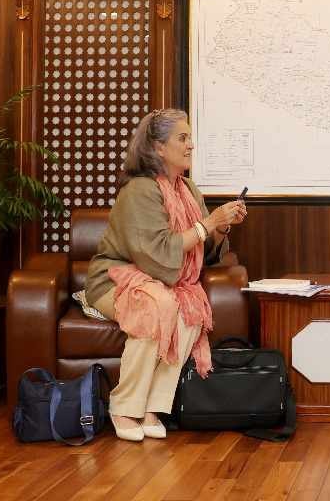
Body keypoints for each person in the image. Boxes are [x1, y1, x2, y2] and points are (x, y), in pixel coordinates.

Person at [85, 108, 247, 441]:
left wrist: (221, 226)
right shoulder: (139, 190)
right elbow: (155, 255)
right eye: (182, 138)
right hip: (116, 278)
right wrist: (209, 223)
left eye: (190, 138)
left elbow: (205, 252)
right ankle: (123, 407)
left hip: (166, 281)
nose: (190, 145)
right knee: (158, 306)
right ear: (159, 147)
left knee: (190, 310)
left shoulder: (188, 189)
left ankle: (152, 408)